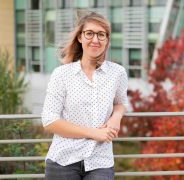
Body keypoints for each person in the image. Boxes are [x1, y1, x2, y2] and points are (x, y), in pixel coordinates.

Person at [41, 11, 128, 180]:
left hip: (100, 161)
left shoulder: (118, 73)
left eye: (101, 35)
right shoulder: (61, 74)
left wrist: (116, 117)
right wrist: (93, 133)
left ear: (107, 40)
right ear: (80, 37)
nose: (95, 40)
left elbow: (120, 102)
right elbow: (49, 121)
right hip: (63, 160)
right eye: (89, 33)